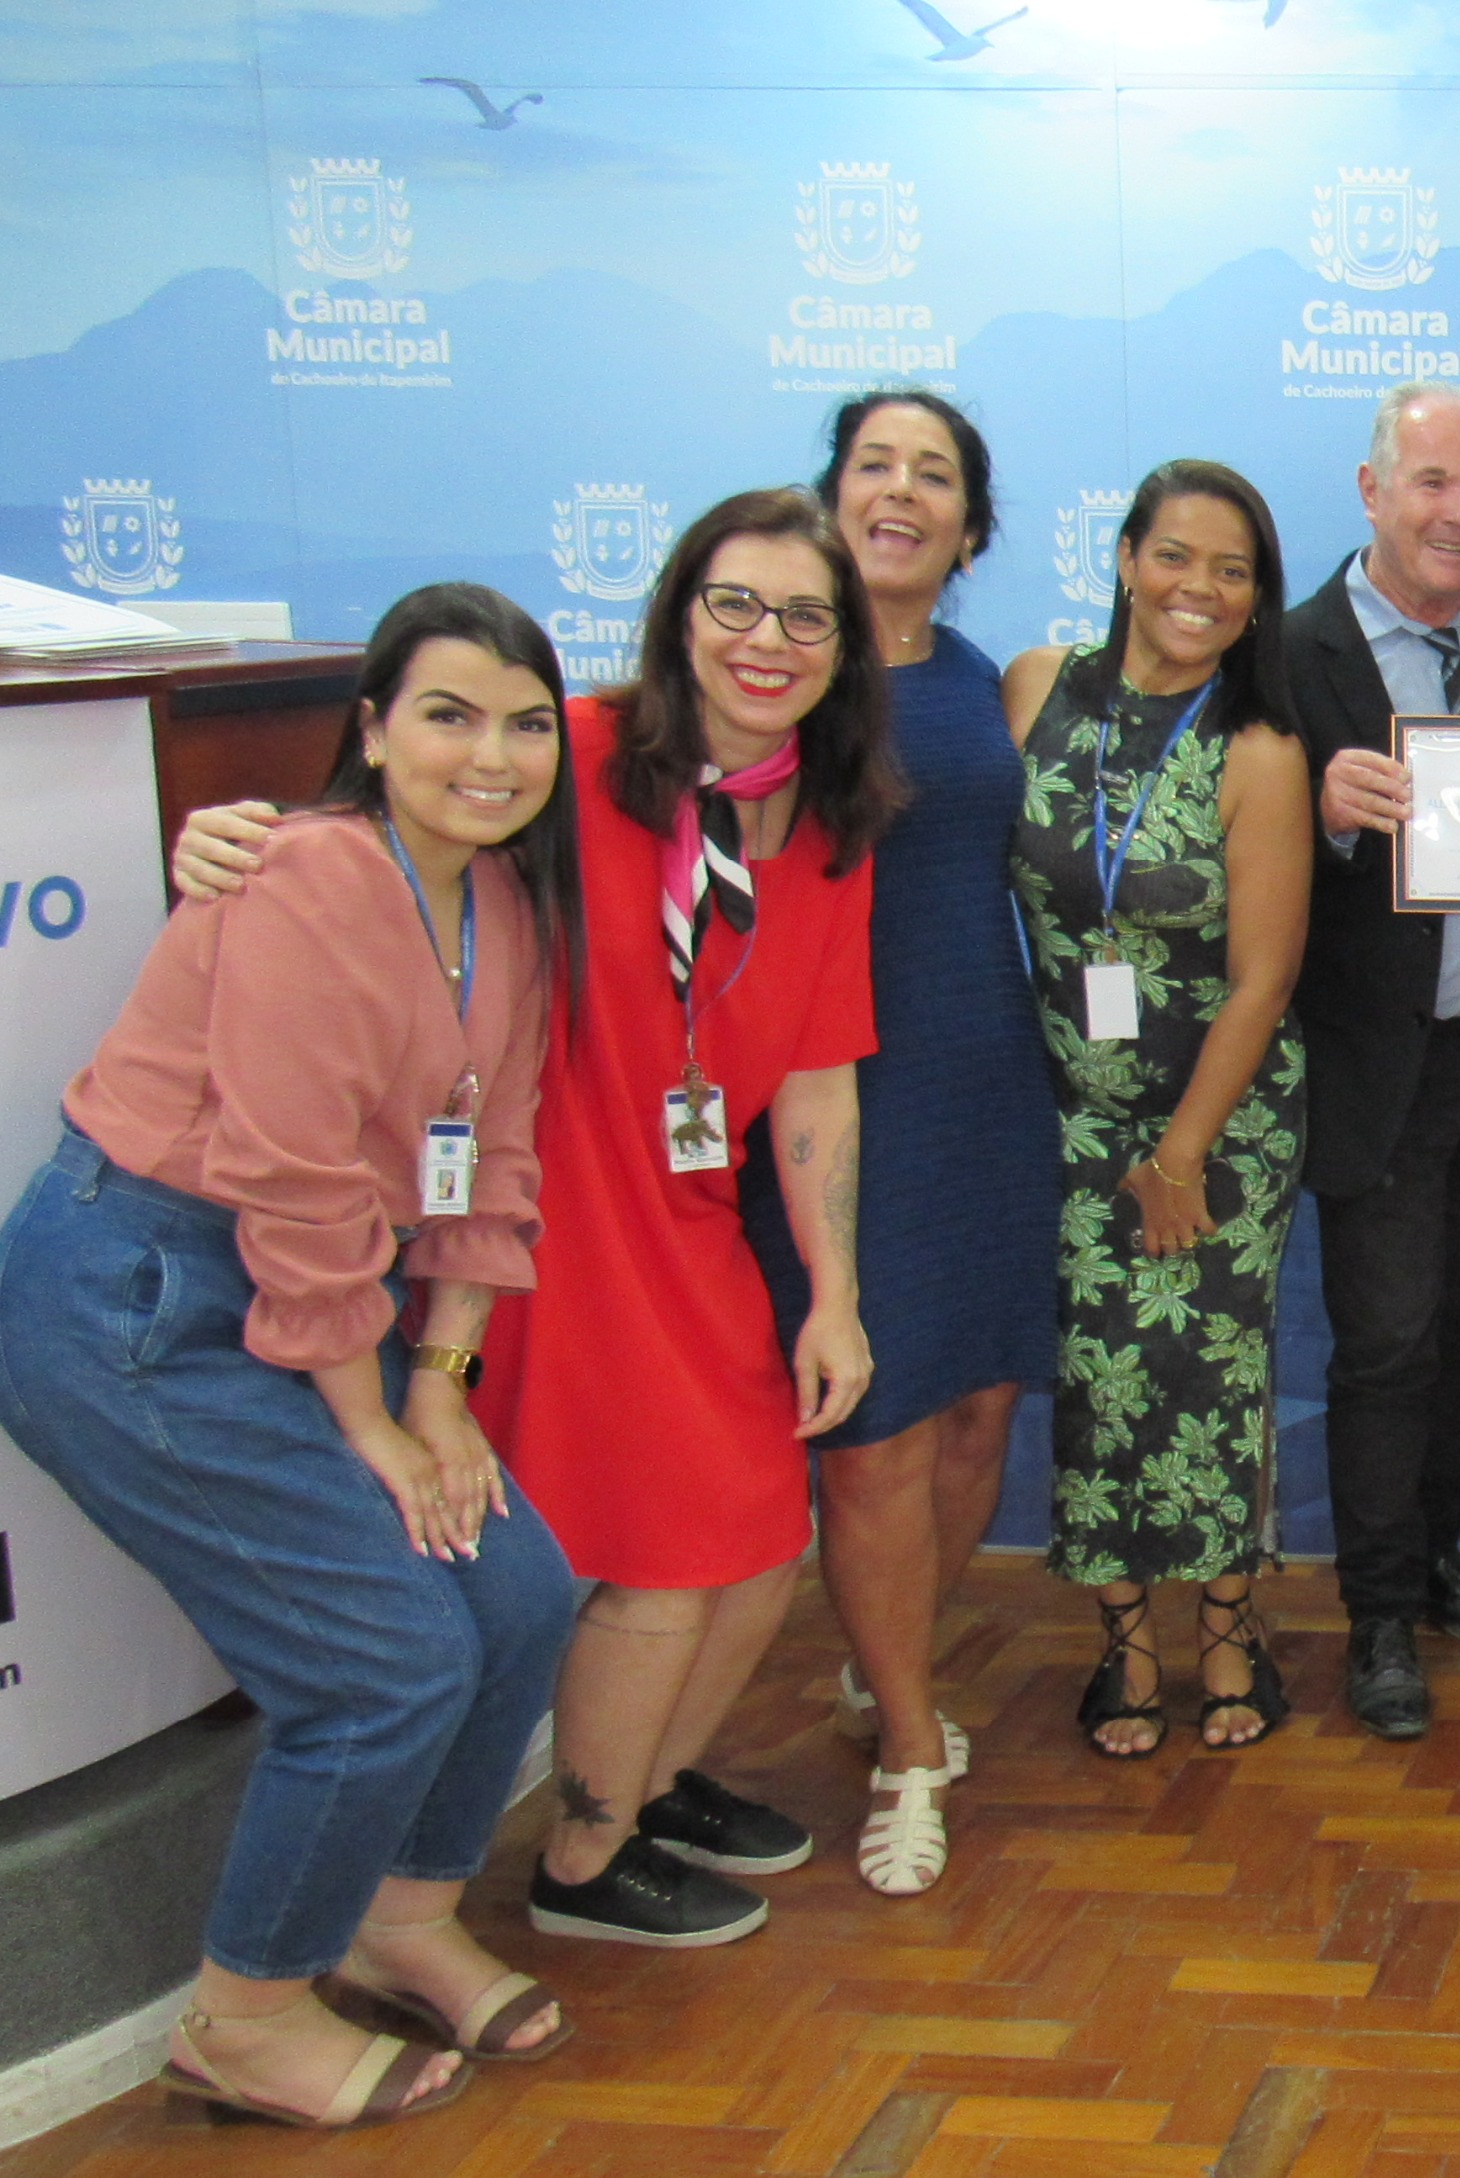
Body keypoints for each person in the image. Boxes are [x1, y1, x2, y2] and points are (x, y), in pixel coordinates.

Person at [178, 501, 897, 1946]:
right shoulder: (567, 749)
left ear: (844, 647)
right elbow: (397, 832)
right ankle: (583, 1856)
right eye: (735, 604)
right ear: (679, 611)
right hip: (538, 1217)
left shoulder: (828, 826)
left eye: (805, 616)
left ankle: (649, 1784)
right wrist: (239, 836)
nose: (767, 640)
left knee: (765, 1534)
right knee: (664, 1550)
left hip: (689, 1215)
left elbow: (818, 1075)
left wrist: (834, 1290)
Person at [1, 587, 582, 2126]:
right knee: (385, 1660)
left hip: (320, 1301)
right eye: (449, 714)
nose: (492, 753)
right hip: (142, 1299)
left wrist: (442, 1390)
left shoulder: (507, 904)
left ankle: (402, 1917)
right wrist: (376, 1426)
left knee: (520, 1592)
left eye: (526, 722)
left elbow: (493, 1162)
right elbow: (296, 1181)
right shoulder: (306, 877)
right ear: (374, 730)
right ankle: (244, 2016)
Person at [761, 390, 1053, 1888]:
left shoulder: (984, 679)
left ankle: (889, 1667)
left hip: (989, 1080)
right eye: (875, 465)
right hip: (837, 1096)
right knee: (872, 1432)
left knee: (980, 1410)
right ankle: (907, 1749)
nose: (902, 492)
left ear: (970, 528)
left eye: (934, 474)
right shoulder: (779, 675)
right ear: (833, 496)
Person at [1003, 458, 1313, 1759]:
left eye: (1233, 571)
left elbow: (1263, 977)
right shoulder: (1035, 688)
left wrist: (1182, 1151)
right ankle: (1124, 1642)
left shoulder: (1260, 747)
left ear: (1258, 598)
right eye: (1176, 555)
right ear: (1127, 558)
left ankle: (1229, 1631)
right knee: (1100, 1377)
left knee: (1210, 1376)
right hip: (1069, 1111)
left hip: (1221, 1120)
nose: (1200, 588)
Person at [1290, 381, 1460, 1709]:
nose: (1459, 513)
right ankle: (1379, 1615)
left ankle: (1439, 1556)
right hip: (1381, 1068)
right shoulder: (1291, 653)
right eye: (1432, 483)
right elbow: (1220, 851)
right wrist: (1317, 812)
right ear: (1371, 490)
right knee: (1385, 1347)